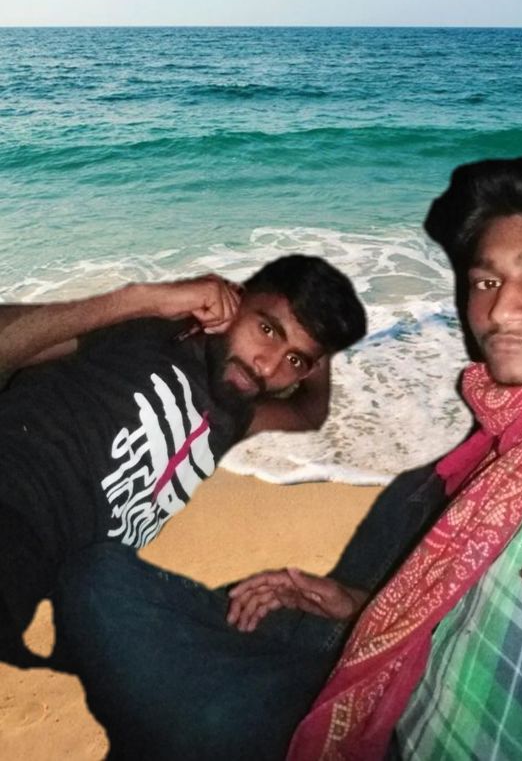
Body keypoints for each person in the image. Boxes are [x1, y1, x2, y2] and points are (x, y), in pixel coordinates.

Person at [289, 153, 522, 760]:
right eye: (486, 282)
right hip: (406, 702)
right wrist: (372, 610)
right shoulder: (519, 438)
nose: (500, 310)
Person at [0, 254, 366, 671]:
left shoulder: (238, 413)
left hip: (57, 572)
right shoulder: (149, 331)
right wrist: (143, 298)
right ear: (235, 299)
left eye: (294, 359)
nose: (268, 365)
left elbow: (308, 413)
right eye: (267, 329)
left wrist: (320, 354)